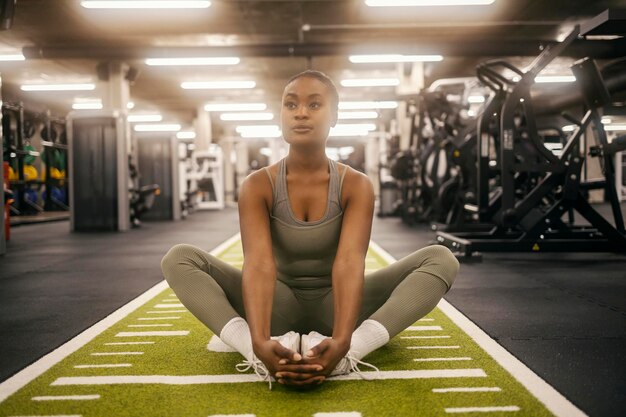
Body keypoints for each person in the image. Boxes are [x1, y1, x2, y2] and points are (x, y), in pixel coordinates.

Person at [161, 70, 459, 388]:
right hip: (278, 306)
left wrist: (345, 340)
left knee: (441, 258)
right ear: (281, 115)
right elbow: (259, 264)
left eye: (314, 105)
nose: (301, 112)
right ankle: (252, 352)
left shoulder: (355, 184)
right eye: (291, 105)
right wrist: (259, 341)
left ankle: (351, 353)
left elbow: (349, 262)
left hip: (339, 306)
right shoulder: (257, 185)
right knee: (179, 258)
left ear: (334, 116)